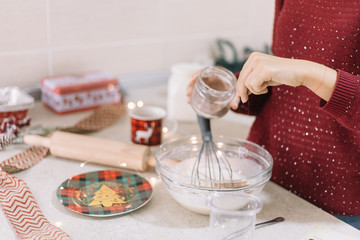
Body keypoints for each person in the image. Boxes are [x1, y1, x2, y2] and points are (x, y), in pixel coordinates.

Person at [186, 0, 360, 229]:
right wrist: (233, 88)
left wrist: (308, 73)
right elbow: (284, 87)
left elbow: (301, 74)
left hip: (338, 211)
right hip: (262, 186)